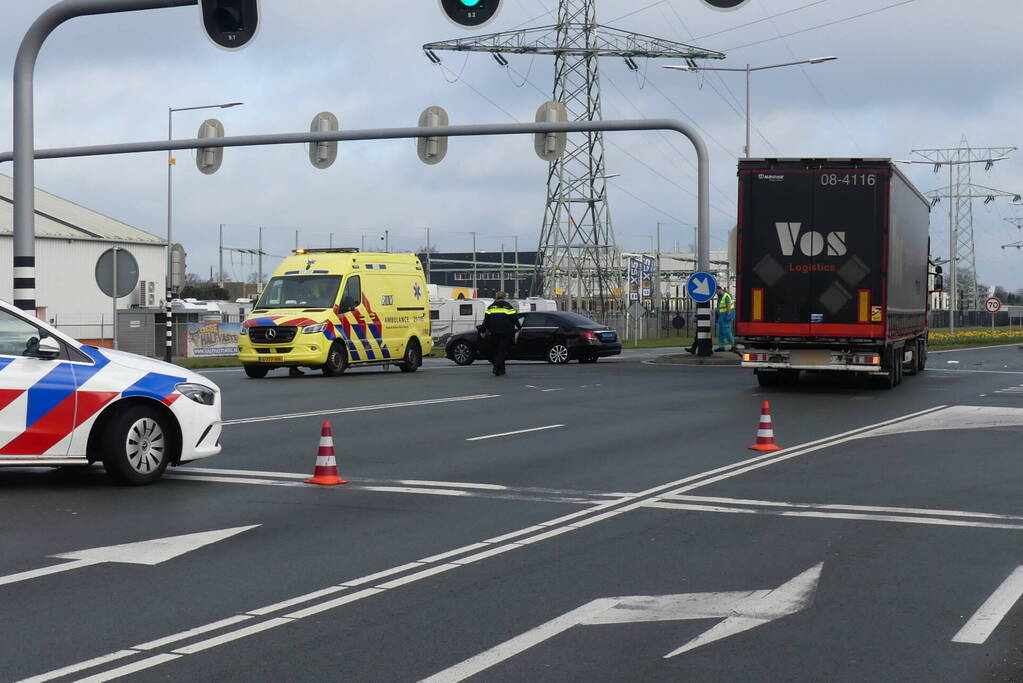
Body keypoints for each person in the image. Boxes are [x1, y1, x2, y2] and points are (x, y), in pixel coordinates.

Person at [482, 292, 521, 376]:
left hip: (494, 332)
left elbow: (486, 321)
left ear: (496, 297)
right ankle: (496, 368)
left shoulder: (490, 307)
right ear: (504, 297)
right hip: (505, 332)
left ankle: (502, 370)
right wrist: (519, 327)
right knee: (502, 350)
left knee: (497, 351)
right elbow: (515, 318)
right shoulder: (508, 306)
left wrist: (482, 331)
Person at [714, 285, 735, 352]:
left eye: (717, 291)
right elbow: (719, 307)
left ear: (720, 289)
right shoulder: (720, 296)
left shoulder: (726, 296)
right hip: (721, 316)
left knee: (727, 331)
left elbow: (728, 305)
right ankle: (721, 347)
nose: (716, 293)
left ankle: (733, 346)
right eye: (716, 292)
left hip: (726, 315)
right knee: (720, 332)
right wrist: (717, 316)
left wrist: (728, 315)